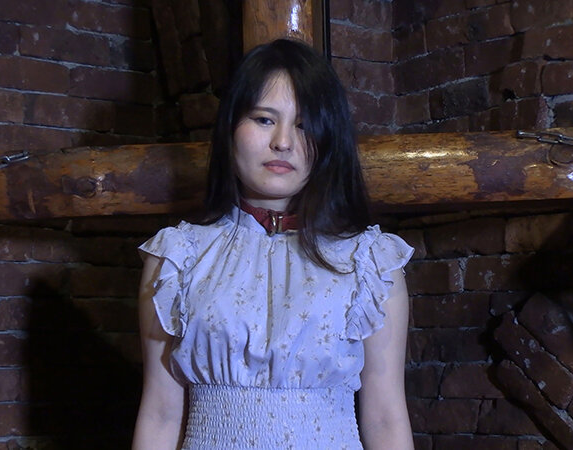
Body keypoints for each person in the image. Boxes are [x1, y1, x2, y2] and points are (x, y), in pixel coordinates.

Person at [132, 38, 414, 449]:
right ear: (231, 128)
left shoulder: (369, 261)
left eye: (304, 124)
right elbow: (160, 413)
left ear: (329, 139)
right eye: (264, 119)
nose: (283, 141)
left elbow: (386, 417)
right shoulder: (178, 258)